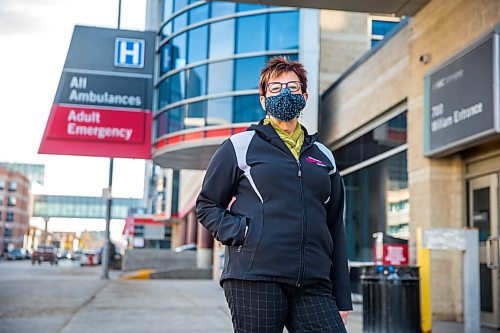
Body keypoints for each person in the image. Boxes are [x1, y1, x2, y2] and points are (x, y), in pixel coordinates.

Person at [196, 56, 352, 332]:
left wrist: (342, 297)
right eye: (275, 88)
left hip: (313, 281)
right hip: (255, 276)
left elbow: (335, 227)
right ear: (263, 99)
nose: (284, 93)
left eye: (292, 87)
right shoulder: (240, 146)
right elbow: (207, 205)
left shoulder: (323, 156)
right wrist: (244, 232)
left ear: (304, 96)